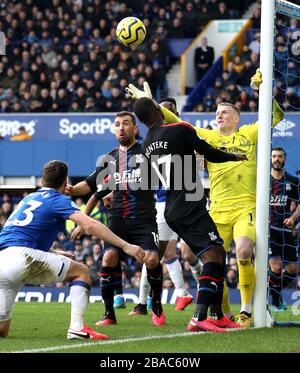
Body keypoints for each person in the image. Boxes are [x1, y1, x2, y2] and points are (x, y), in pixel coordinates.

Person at [158, 69, 285, 326]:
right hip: (217, 209)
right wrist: (152, 106)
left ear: (236, 118)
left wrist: (262, 93)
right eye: (217, 113)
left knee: (244, 249)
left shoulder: (249, 134)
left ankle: (247, 310)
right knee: (205, 259)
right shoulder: (211, 137)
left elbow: (277, 115)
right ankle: (223, 314)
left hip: (245, 207)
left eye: (224, 112)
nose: (219, 115)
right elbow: (183, 126)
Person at [133, 96, 247, 332]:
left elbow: (148, 179)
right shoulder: (179, 129)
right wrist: (234, 156)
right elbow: (209, 152)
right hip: (189, 204)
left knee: (218, 253)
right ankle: (198, 317)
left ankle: (216, 314)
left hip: (173, 207)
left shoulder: (146, 143)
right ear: (157, 111)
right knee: (212, 258)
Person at [0, 160, 144, 339]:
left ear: (42, 181)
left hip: (3, 260)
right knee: (82, 272)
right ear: (65, 183)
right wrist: (126, 245)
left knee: (1, 331)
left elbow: (18, 237)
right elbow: (89, 224)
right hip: (22, 259)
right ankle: (77, 328)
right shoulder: (57, 199)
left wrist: (54, 253)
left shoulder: (27, 199)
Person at [66, 111, 165, 327]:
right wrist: (72, 189)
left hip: (144, 219)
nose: (121, 128)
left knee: (152, 260)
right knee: (108, 258)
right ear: (114, 129)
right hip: (117, 220)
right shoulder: (109, 159)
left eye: (126, 124)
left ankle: (156, 303)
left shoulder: (147, 153)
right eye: (117, 124)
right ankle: (109, 313)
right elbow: (90, 185)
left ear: (135, 129)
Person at [269, 147, 300, 311]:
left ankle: (274, 291)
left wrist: (293, 218)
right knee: (275, 267)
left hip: (286, 230)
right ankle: (274, 300)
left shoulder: (293, 181)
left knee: (293, 270)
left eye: (280, 156)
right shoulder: (264, 181)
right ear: (270, 158)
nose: (277, 159)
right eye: (274, 156)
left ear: (285, 159)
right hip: (269, 231)